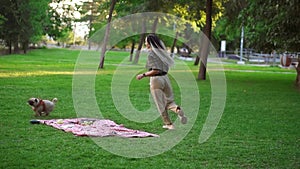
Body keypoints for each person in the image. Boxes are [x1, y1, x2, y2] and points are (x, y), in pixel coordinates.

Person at [136, 34, 187, 130]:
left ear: (150, 43)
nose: (145, 43)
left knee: (160, 104)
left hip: (156, 80)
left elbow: (155, 70)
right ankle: (177, 110)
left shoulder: (151, 54)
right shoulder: (163, 53)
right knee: (169, 101)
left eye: (146, 41)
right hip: (165, 78)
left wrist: (143, 75)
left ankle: (169, 124)